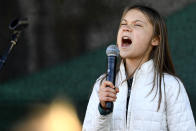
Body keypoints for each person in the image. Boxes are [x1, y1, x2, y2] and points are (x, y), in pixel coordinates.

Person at [82, 4, 196, 131]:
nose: (126, 28)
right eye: (123, 24)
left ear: (155, 39)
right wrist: (102, 110)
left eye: (137, 25)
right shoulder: (102, 84)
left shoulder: (170, 86)